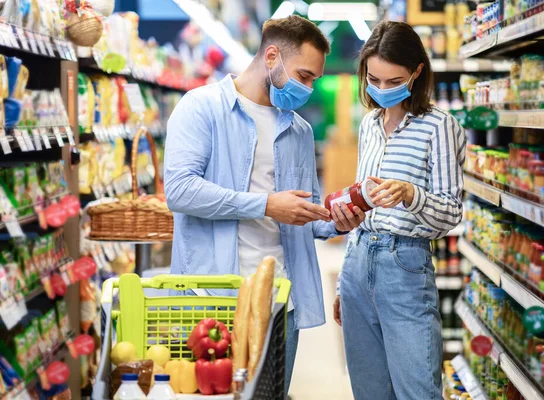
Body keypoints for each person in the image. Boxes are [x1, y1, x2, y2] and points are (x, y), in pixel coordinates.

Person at [164, 15, 365, 395]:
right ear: (272, 56)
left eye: (314, 80)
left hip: (279, 302)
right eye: (304, 76)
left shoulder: (299, 131)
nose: (308, 88)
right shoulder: (201, 107)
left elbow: (300, 213)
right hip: (211, 296)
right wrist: (266, 205)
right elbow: (180, 191)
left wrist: (336, 221)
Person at [333, 21, 466, 400]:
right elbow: (364, 209)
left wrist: (411, 194)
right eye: (374, 79)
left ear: (417, 73)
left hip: (404, 265)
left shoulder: (440, 126)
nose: (382, 89)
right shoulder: (369, 125)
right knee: (369, 391)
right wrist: (345, 281)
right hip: (359, 262)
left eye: (394, 81)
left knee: (417, 391)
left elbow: (450, 214)